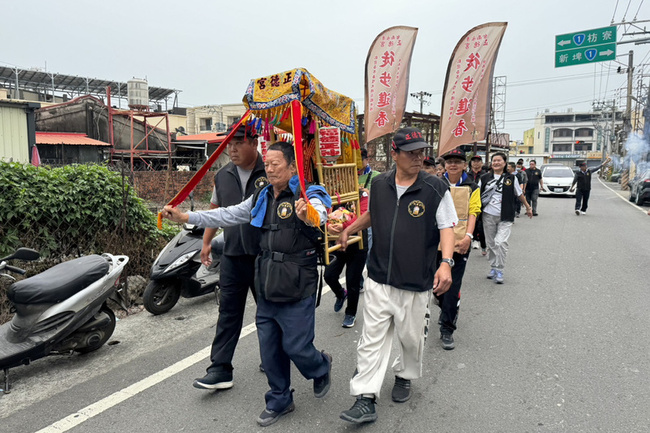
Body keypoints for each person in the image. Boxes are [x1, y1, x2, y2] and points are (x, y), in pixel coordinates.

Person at [162, 141, 332, 427]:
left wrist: (309, 215)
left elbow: (320, 214)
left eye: (277, 163)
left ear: (293, 167)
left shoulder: (309, 193)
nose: (271, 168)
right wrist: (186, 217)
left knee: (297, 346)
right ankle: (279, 398)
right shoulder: (262, 196)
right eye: (269, 163)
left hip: (297, 283)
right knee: (269, 347)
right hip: (266, 280)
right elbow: (226, 214)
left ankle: (320, 366)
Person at [336, 126, 457, 424]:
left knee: (411, 338)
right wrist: (351, 228)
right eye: (411, 153)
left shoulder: (435, 188)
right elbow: (374, 215)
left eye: (421, 152)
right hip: (378, 276)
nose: (419, 158)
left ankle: (404, 374)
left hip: (416, 280)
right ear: (394, 154)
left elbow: (447, 227)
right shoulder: (379, 185)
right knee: (371, 338)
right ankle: (365, 398)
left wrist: (445, 263)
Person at [192, 122, 267, 391]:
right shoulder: (222, 175)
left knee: (269, 312)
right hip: (234, 254)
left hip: (264, 256)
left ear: (255, 143)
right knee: (228, 313)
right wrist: (207, 241)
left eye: (238, 143)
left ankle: (272, 358)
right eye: (229, 144)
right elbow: (216, 208)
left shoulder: (270, 171)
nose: (232, 149)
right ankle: (220, 369)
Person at [436, 148, 481, 350]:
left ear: (465, 165)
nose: (453, 164)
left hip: (459, 243)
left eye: (457, 161)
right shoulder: (437, 183)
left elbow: (474, 212)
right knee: (435, 286)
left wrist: (468, 237)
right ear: (444, 165)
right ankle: (444, 304)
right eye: (449, 161)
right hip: (435, 242)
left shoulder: (472, 186)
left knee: (452, 286)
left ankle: (447, 328)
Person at [480, 152, 533, 284]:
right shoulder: (484, 178)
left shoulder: (511, 178)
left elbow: (519, 194)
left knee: (501, 243)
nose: (496, 163)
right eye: (494, 160)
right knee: (491, 243)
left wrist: (527, 207)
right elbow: (477, 194)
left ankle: (500, 269)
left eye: (499, 160)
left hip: (506, 215)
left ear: (505, 163)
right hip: (488, 215)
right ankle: (493, 266)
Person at [325, 205, 367, 328]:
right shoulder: (331, 195)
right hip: (337, 242)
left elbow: (365, 216)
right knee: (329, 276)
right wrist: (328, 227)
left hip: (358, 245)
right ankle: (341, 294)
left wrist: (344, 227)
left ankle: (350, 313)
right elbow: (321, 215)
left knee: (353, 281)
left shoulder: (362, 196)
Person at [468, 155, 487, 254]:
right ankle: (474, 238)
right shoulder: (466, 175)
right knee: (472, 221)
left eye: (478, 161)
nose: (476, 163)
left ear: (481, 163)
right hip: (468, 201)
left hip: (482, 202)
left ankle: (483, 244)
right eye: (474, 161)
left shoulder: (485, 175)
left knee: (481, 224)